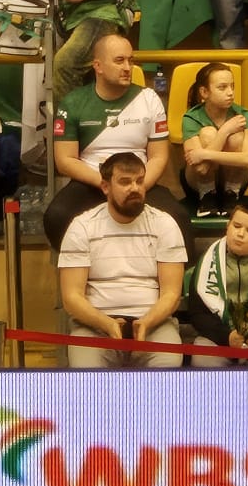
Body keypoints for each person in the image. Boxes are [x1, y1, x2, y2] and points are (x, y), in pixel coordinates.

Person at [43, 35, 191, 250]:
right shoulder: (73, 102)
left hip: (139, 181)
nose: (127, 67)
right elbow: (65, 161)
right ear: (98, 66)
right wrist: (109, 185)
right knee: (57, 216)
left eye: (131, 60)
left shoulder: (149, 99)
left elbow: (159, 157)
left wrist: (137, 186)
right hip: (92, 181)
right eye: (119, 61)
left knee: (178, 219)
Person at [57, 151, 189, 369]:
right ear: (105, 187)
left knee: (169, 364)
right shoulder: (82, 226)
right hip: (95, 325)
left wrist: (146, 322)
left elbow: (171, 294)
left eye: (139, 181)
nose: (134, 188)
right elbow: (71, 298)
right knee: (86, 372)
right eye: (125, 182)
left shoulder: (165, 224)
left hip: (153, 323)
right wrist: (106, 323)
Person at [181, 197, 248, 367]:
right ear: (227, 226)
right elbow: (197, 313)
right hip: (216, 335)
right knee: (203, 363)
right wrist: (226, 336)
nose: (240, 234)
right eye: (236, 226)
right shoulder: (206, 263)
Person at [179, 64, 248, 216]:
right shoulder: (191, 118)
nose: (230, 92)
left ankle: (231, 194)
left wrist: (203, 154)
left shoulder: (244, 115)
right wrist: (224, 131)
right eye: (222, 87)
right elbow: (201, 169)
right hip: (197, 184)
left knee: (236, 137)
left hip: (236, 181)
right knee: (208, 133)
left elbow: (247, 159)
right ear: (204, 92)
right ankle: (207, 196)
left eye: (232, 86)